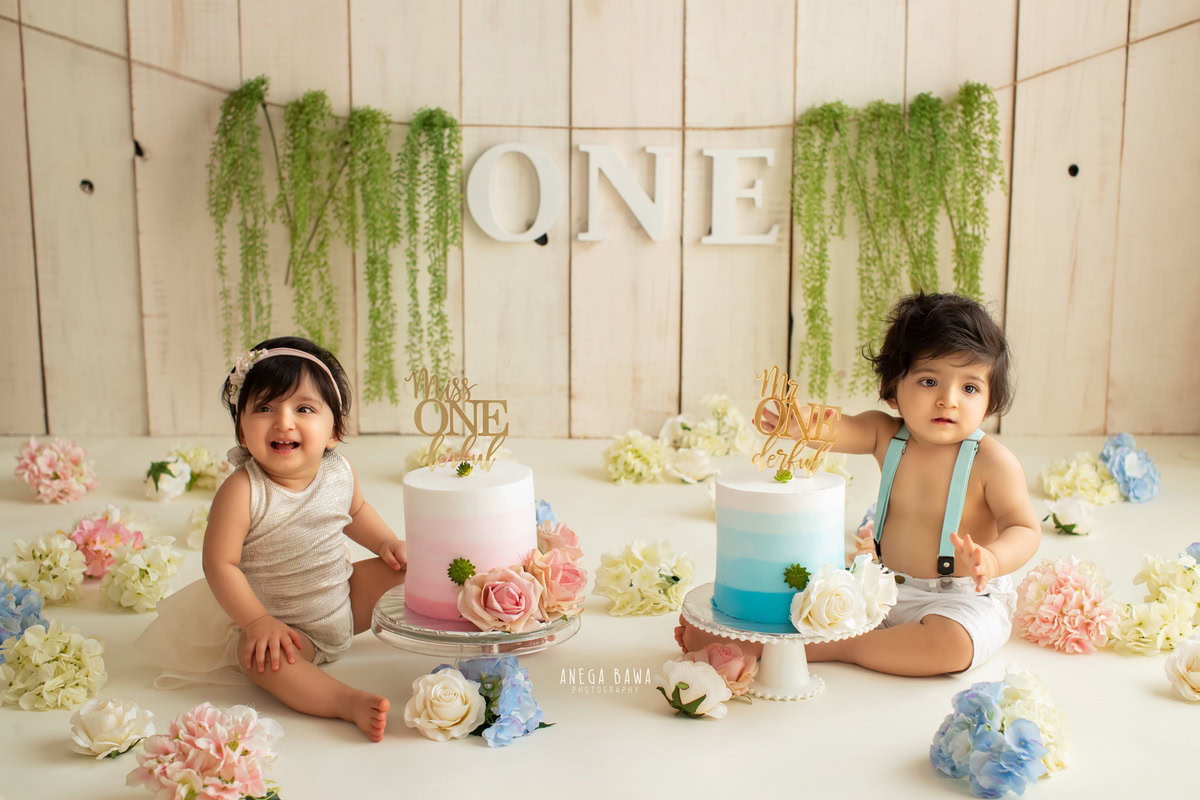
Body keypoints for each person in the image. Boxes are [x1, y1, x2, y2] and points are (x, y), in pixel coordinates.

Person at [677, 293, 1040, 675]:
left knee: (950, 646)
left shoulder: (993, 462)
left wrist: (995, 558)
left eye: (969, 388)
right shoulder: (887, 435)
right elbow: (839, 427)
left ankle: (832, 648)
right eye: (929, 381)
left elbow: (1023, 527)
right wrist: (796, 422)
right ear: (894, 389)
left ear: (990, 399)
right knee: (809, 602)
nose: (947, 401)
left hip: (962, 599)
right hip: (883, 589)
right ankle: (766, 637)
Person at [136, 336, 407, 740]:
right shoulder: (244, 490)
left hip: (345, 601)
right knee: (263, 662)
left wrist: (386, 543)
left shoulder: (339, 470)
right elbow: (219, 564)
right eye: (264, 408)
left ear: (335, 430)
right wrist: (257, 621)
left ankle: (468, 624)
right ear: (241, 432)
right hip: (285, 630)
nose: (283, 421)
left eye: (303, 408)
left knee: (415, 572)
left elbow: (355, 513)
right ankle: (341, 700)